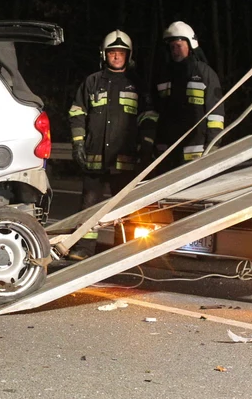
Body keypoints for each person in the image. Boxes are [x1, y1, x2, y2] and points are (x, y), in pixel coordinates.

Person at [67, 30, 156, 259]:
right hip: (94, 157)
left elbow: (148, 117)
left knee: (124, 206)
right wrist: (78, 144)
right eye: (112, 53)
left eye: (120, 53)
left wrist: (146, 145)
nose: (116, 57)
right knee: (89, 206)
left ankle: (124, 250)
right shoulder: (92, 82)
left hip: (125, 158)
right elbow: (77, 113)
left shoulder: (137, 85)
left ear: (129, 56)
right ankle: (83, 248)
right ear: (104, 55)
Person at [152, 21, 224, 172]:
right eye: (172, 47)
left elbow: (216, 113)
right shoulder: (163, 75)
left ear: (190, 45)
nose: (175, 51)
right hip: (167, 151)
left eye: (179, 46)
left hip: (196, 151)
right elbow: (156, 111)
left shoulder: (205, 73)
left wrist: (214, 143)